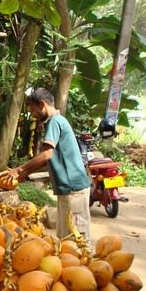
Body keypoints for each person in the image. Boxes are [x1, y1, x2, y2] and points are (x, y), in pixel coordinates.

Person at [6, 88, 92, 241]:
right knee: (65, 239)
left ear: (42, 105)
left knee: (78, 239)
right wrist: (24, 174)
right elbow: (49, 159)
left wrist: (19, 170)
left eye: (33, 110)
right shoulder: (57, 121)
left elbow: (47, 154)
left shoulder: (54, 121)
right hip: (68, 190)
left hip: (74, 190)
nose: (33, 115)